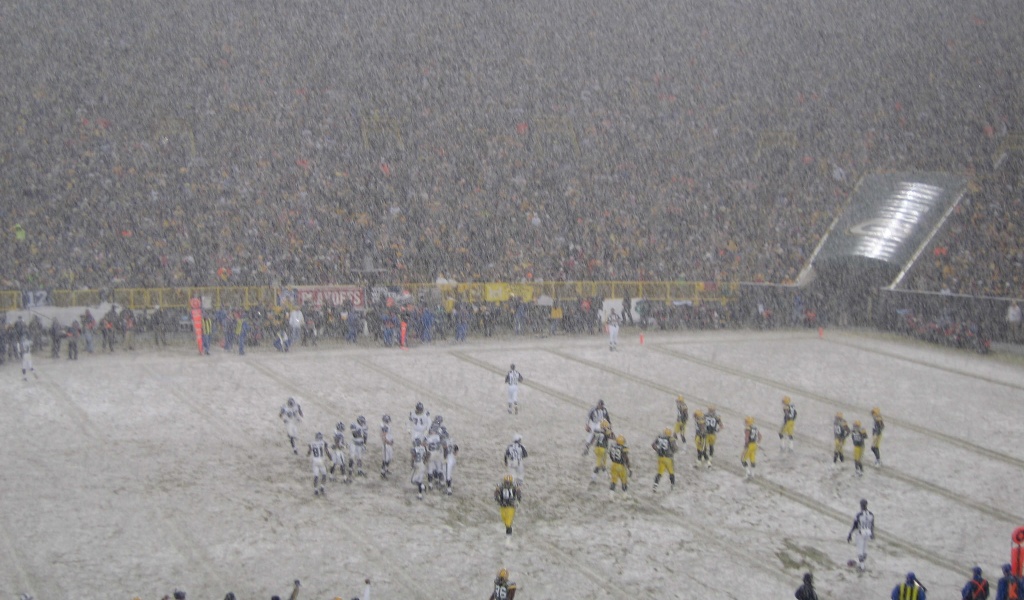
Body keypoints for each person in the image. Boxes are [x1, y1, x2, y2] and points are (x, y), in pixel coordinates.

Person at [847, 498, 875, 571]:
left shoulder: (859, 515)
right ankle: (862, 564)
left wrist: (850, 534)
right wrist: (872, 533)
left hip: (860, 533)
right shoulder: (871, 514)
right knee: (865, 550)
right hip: (867, 533)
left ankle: (861, 567)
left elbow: (855, 525)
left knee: (860, 550)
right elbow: (872, 524)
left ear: (861, 505)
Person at [494, 475, 521, 541]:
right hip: (503, 505)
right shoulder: (500, 486)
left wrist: (518, 499)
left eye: (509, 482)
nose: (507, 483)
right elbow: (496, 492)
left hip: (511, 506)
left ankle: (508, 540)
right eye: (506, 482)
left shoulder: (515, 486)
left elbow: (518, 492)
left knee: (508, 522)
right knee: (504, 520)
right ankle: (508, 534)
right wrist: (497, 498)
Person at [651, 428, 677, 492]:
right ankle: (672, 486)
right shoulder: (670, 439)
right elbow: (675, 448)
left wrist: (658, 450)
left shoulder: (659, 437)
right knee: (671, 472)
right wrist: (672, 451)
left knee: (659, 473)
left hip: (660, 457)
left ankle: (655, 485)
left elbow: (653, 444)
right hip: (668, 458)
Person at [308, 432, 330, 496]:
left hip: (314, 461)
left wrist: (308, 454)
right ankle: (322, 487)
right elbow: (327, 452)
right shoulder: (324, 443)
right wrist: (331, 458)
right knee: (324, 474)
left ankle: (315, 490)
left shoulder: (311, 443)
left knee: (316, 476)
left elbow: (309, 453)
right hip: (321, 460)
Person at [590, 419, 613, 484]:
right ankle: (593, 477)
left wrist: (588, 446)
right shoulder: (607, 432)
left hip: (596, 448)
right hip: (603, 449)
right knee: (599, 464)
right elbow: (612, 436)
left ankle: (605, 474)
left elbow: (593, 438)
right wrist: (608, 430)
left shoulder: (597, 430)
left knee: (602, 462)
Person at [443, 430, 459, 495]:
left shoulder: (444, 442)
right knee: (448, 475)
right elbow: (456, 449)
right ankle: (448, 488)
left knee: (447, 475)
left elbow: (445, 452)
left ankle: (449, 490)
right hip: (453, 459)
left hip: (448, 460)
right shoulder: (452, 440)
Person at [379, 415, 394, 479]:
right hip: (386, 445)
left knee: (389, 458)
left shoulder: (385, 426)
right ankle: (383, 473)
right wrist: (388, 442)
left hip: (388, 444)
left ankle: (386, 469)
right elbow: (383, 436)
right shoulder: (385, 427)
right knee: (385, 459)